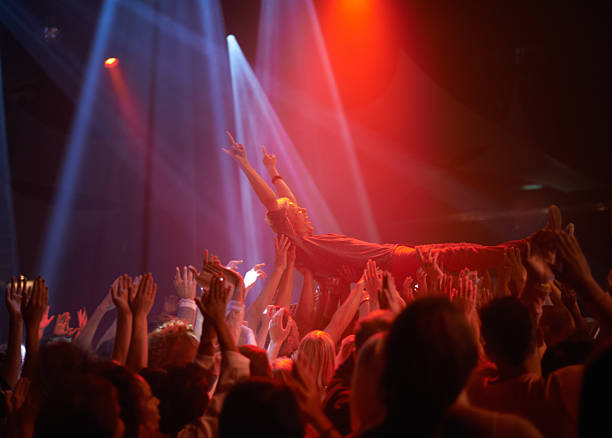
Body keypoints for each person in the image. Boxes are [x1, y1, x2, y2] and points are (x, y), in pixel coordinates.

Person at [222, 132, 557, 284]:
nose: (303, 209)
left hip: (392, 257)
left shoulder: (308, 239)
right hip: (389, 262)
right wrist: (245, 163)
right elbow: (273, 202)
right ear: (288, 222)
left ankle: (537, 245)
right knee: (461, 253)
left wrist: (274, 170)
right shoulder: (298, 245)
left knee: (461, 253)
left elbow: (283, 197)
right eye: (297, 212)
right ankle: (539, 243)